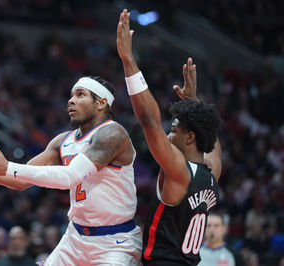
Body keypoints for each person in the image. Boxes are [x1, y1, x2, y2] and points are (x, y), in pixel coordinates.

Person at [0, 75, 142, 265]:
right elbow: (20, 180)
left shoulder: (113, 135)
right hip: (75, 238)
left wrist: (8, 166)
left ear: (101, 102)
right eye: (71, 95)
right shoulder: (62, 142)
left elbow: (69, 177)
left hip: (115, 241)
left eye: (80, 94)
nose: (71, 100)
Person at [117, 9, 222, 265]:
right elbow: (212, 140)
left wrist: (129, 61)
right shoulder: (212, 173)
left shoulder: (179, 171)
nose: (168, 133)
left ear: (190, 138)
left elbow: (149, 121)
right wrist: (194, 103)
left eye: (174, 129)